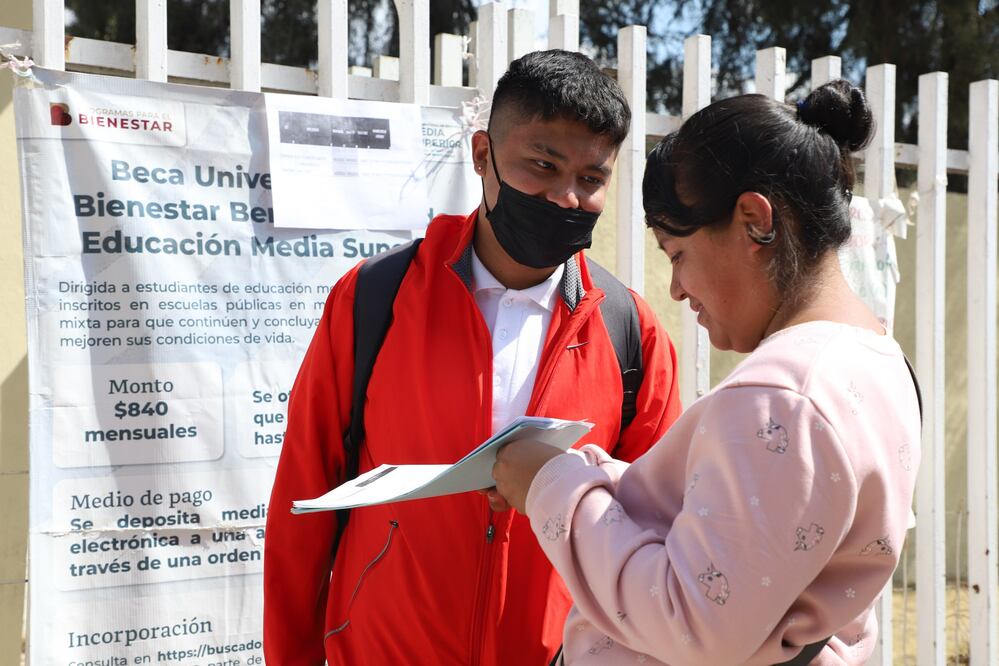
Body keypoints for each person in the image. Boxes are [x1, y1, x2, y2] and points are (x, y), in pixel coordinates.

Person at [263, 49, 683, 665]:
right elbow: (304, 493)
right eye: (543, 165)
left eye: (591, 179)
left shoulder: (631, 334)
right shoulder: (375, 299)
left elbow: (656, 526)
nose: (567, 197)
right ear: (483, 155)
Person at [491, 79, 921, 665]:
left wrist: (552, 487)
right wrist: (593, 475)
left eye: (678, 254)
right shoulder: (875, 357)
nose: (675, 288)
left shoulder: (783, 395)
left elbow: (693, 620)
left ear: (754, 222)